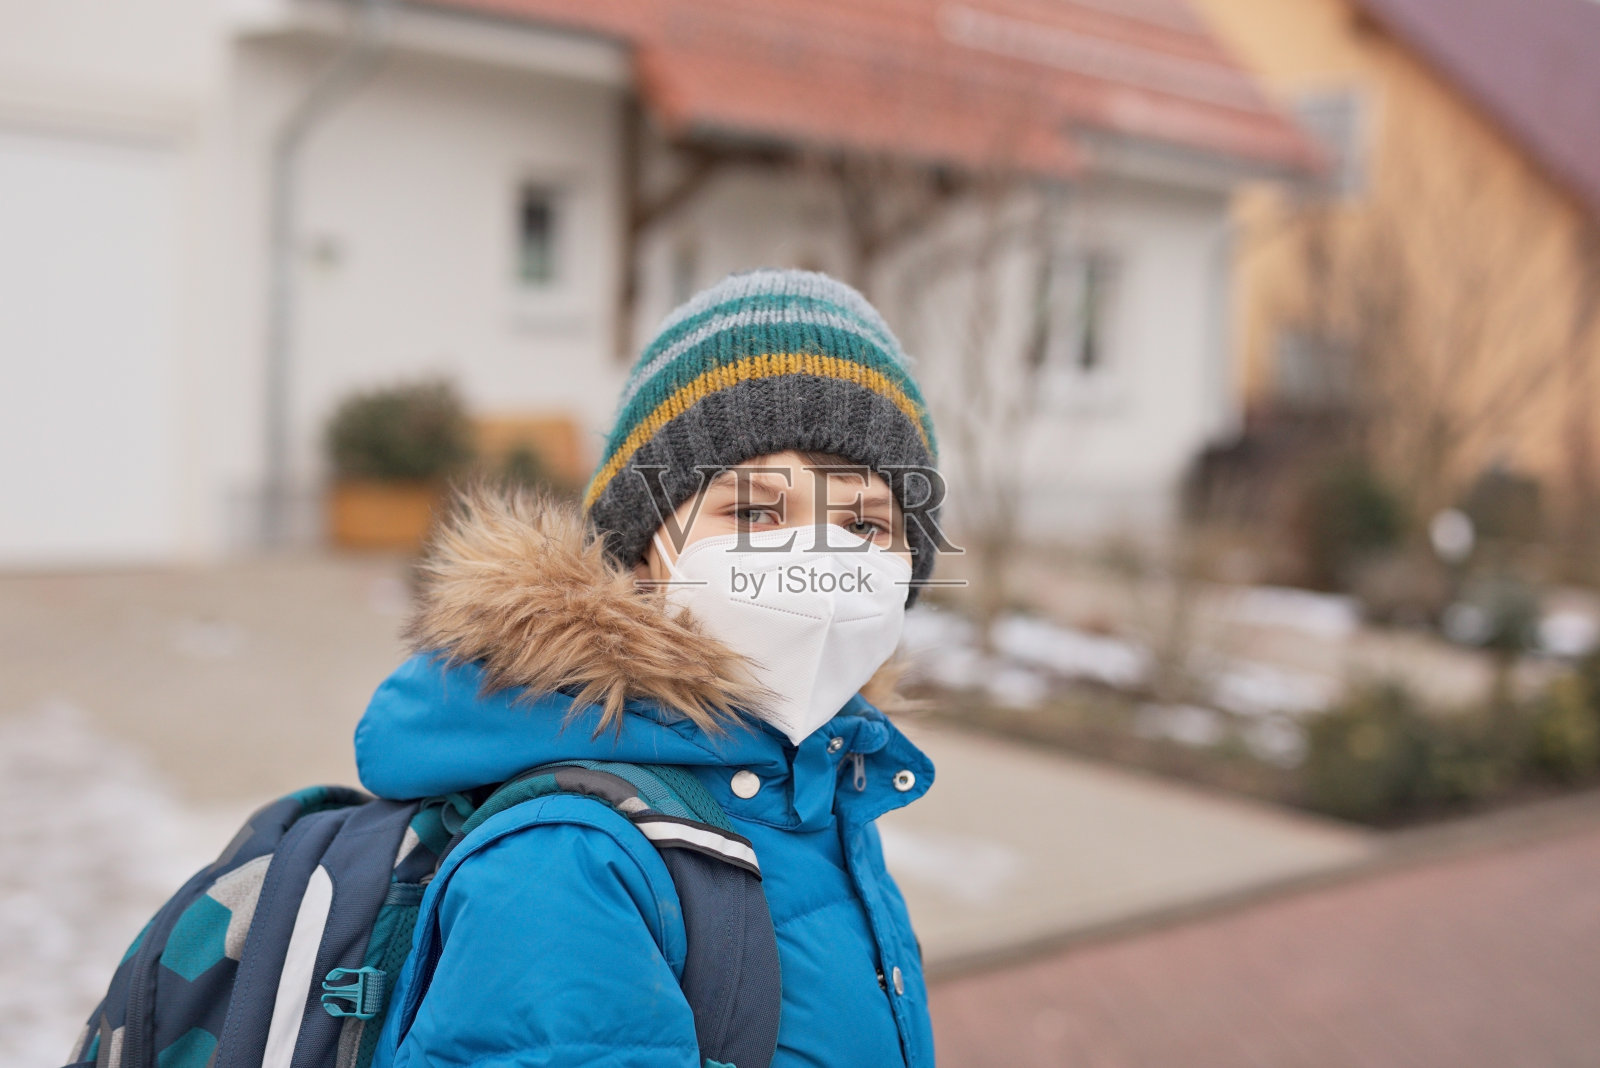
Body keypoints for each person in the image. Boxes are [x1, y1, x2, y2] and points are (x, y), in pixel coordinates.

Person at [356, 269, 942, 1067]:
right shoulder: (571, 856)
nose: (820, 558)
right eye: (755, 511)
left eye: (865, 524)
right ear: (642, 555)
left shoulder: (817, 786)